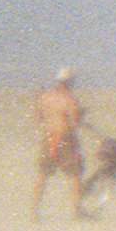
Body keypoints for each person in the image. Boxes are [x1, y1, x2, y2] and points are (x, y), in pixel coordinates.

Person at [33, 69, 88, 221]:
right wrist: (82, 114)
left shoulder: (45, 97)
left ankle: (34, 210)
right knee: (75, 175)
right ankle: (77, 211)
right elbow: (75, 122)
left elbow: (39, 118)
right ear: (70, 82)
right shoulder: (70, 98)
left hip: (48, 137)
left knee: (43, 175)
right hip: (66, 139)